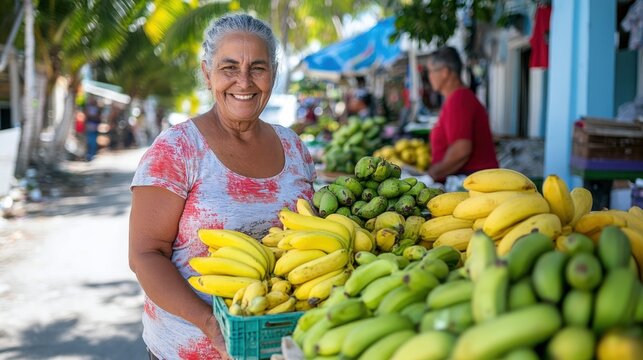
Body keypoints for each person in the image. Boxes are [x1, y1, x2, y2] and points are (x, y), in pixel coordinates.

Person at [128, 13, 316, 360]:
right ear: (207, 73)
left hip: (282, 345)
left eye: (257, 68)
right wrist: (211, 325)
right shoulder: (177, 149)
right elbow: (145, 255)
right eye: (229, 67)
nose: (243, 81)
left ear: (272, 74)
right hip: (189, 349)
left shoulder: (294, 147)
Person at [426, 46, 498, 183]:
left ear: (444, 72)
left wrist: (431, 175)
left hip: (473, 183)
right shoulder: (456, 98)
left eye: (430, 71)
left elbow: (461, 151)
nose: (429, 76)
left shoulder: (459, 99)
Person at [84, 97, 102, 161]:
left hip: (94, 126)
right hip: (90, 126)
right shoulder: (89, 108)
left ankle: (91, 154)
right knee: (90, 141)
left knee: (93, 141)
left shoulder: (96, 108)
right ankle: (89, 154)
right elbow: (87, 116)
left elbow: (98, 117)